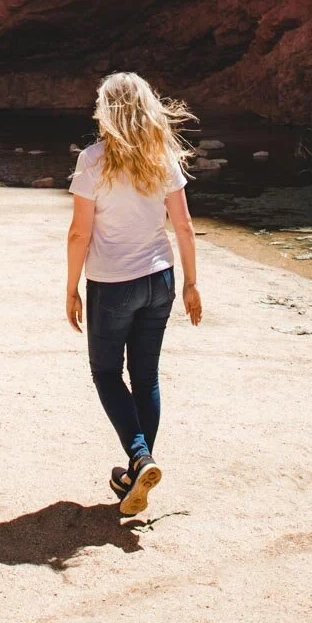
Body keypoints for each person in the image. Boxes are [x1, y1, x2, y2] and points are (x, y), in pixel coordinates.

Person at [65, 71, 202, 516]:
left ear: (106, 111)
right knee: (146, 378)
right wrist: (191, 283)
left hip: (112, 284)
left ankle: (141, 457)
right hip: (160, 280)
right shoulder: (162, 156)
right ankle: (134, 476)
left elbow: (79, 233)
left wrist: (71, 288)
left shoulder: (93, 160)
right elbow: (184, 225)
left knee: (106, 374)